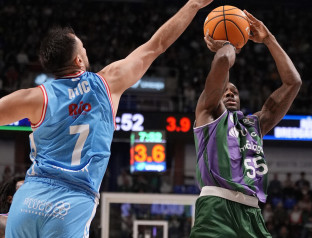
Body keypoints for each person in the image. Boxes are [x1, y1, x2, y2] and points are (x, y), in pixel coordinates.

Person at [0, 0, 214, 237]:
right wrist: (193, 5)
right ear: (79, 61)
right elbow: (157, 45)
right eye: (83, 49)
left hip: (28, 199)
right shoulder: (106, 83)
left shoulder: (33, 97)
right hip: (71, 202)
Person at [189, 10, 301, 238]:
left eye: (235, 92)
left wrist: (269, 39)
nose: (230, 94)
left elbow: (293, 82)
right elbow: (222, 61)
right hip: (216, 209)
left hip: (252, 214)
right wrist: (229, 45)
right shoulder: (208, 113)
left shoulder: (255, 124)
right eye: (226, 91)